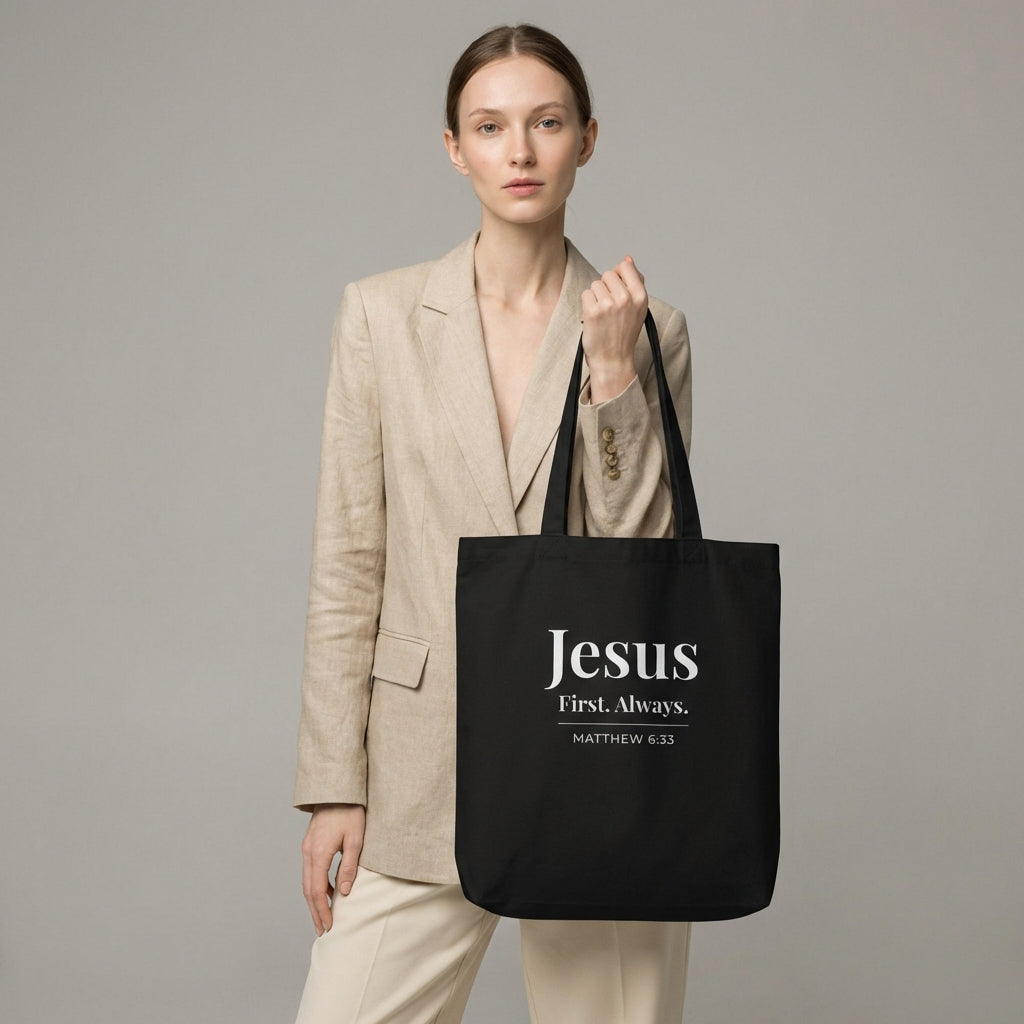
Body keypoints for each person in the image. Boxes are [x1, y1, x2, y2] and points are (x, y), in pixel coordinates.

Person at [294, 23, 693, 1024]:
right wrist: (333, 784)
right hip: (424, 764)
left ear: (586, 140)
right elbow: (349, 561)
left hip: (599, 756)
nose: (519, 153)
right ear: (453, 146)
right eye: (490, 126)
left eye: (546, 123)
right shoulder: (380, 317)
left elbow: (641, 566)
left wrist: (610, 377)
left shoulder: (649, 331)